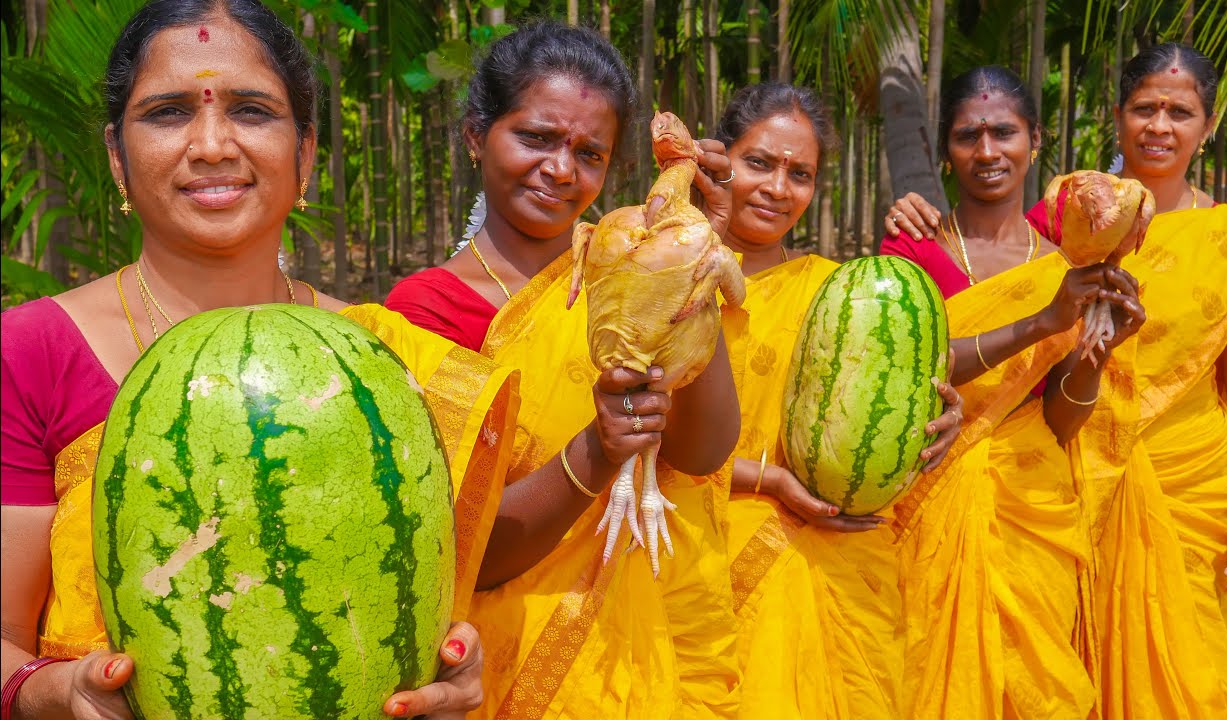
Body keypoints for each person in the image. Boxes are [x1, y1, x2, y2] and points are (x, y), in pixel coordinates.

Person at [0, 2, 513, 717]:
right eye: (168, 112)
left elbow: (422, 601)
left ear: (305, 153)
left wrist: (452, 674)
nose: (211, 144)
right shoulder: (30, 352)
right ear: (117, 156)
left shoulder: (387, 357)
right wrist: (55, 692)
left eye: (250, 110)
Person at [885, 45, 1227, 718]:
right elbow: (996, 273)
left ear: (1208, 127)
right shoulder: (1064, 216)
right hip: (1064, 475)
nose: (1160, 125)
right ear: (1119, 116)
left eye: (1180, 112)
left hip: (1189, 489)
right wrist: (911, 211)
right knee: (1063, 660)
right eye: (1145, 108)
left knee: (1186, 676)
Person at [385, 23, 743, 719]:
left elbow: (703, 452)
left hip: (649, 658)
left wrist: (690, 267)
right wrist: (599, 449)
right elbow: (457, 552)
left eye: (589, 153)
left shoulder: (636, 268)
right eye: (536, 138)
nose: (560, 169)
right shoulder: (427, 311)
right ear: (474, 135)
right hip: (511, 668)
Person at [878, 65, 1150, 719]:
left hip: (1035, 505)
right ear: (947, 147)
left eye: (1004, 132)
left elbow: (1062, 420)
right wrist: (1039, 323)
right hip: (927, 490)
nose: (988, 151)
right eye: (969, 134)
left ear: (1035, 137)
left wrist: (1092, 357)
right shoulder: (911, 246)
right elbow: (898, 371)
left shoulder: (1070, 260)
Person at [691, 82, 964, 718]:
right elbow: (634, 436)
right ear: (720, 157)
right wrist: (772, 483)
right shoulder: (662, 272)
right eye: (758, 162)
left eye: (800, 173)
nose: (777, 188)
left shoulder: (838, 290)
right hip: (693, 552)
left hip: (835, 559)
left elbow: (898, 380)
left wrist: (940, 412)